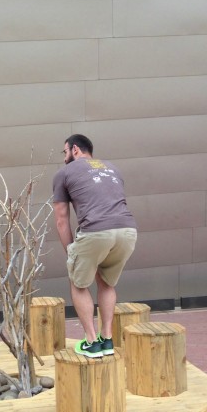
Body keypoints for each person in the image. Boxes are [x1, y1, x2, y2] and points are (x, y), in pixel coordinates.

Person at [52, 134, 138, 358]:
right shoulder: (112, 168)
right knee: (106, 282)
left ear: (75, 149)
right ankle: (107, 339)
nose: (64, 157)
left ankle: (91, 342)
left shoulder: (64, 173)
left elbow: (61, 219)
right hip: (127, 230)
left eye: (65, 152)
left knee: (78, 283)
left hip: (96, 231)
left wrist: (70, 251)